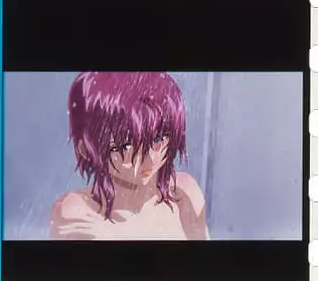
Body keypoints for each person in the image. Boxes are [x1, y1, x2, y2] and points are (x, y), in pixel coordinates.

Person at [50, 71, 209, 240]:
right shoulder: (78, 211)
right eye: (125, 146)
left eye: (159, 138)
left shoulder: (184, 194)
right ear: (86, 149)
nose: (150, 157)